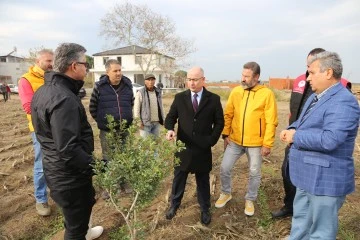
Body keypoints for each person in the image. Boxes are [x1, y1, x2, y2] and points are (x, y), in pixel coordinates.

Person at [281, 51, 359, 239]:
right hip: (306, 176)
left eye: (312, 72)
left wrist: (296, 136)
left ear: (328, 73)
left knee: (321, 232)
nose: (307, 78)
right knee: (301, 222)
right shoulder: (316, 96)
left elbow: (330, 139)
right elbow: (304, 121)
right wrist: (291, 128)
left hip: (325, 180)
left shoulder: (344, 101)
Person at [31, 43, 103, 240]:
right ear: (73, 66)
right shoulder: (64, 99)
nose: (86, 68)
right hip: (69, 177)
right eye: (84, 64)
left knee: (74, 220)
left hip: (57, 170)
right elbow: (68, 150)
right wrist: (99, 166)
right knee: (75, 230)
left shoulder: (44, 91)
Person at [215, 62, 278, 216]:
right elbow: (228, 114)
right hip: (235, 141)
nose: (243, 79)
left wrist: (267, 144)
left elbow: (271, 121)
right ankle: (226, 192)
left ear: (256, 77)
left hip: (256, 143)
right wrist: (225, 134)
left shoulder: (266, 94)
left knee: (254, 172)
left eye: (247, 76)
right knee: (224, 168)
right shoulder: (236, 92)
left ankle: (250, 199)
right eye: (242, 75)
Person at [164, 66, 224, 225]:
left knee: (203, 181)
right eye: (189, 79)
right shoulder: (179, 98)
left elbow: (219, 122)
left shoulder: (213, 99)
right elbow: (170, 118)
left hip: (203, 148)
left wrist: (211, 140)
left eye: (195, 79)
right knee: (179, 179)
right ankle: (174, 205)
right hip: (183, 147)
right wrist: (170, 129)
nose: (191, 82)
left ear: (203, 80)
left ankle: (205, 209)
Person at [18, 49, 53, 216]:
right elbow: (28, 106)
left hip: (56, 127)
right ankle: (41, 199)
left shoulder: (52, 77)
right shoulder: (26, 80)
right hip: (39, 130)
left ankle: (58, 193)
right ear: (38, 61)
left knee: (57, 161)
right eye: (48, 61)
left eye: (52, 60)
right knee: (41, 165)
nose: (51, 64)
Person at [89, 59, 133, 161]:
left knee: (126, 159)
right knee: (109, 159)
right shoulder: (99, 86)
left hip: (124, 130)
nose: (118, 73)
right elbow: (92, 107)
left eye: (119, 70)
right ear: (107, 72)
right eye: (115, 71)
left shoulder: (127, 85)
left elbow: (131, 103)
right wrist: (103, 121)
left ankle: (124, 177)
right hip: (107, 131)